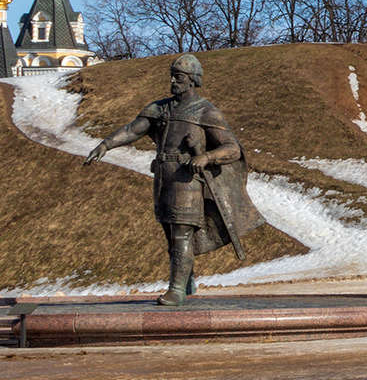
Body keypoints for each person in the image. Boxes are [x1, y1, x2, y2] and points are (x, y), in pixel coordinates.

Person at [84, 54, 265, 305]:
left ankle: (176, 290)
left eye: (178, 77)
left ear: (192, 81)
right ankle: (187, 282)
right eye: (172, 75)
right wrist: (106, 144)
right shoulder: (160, 108)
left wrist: (207, 157)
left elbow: (232, 148)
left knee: (181, 233)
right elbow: (132, 129)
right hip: (163, 179)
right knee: (171, 235)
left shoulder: (206, 111)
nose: (172, 80)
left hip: (188, 181)